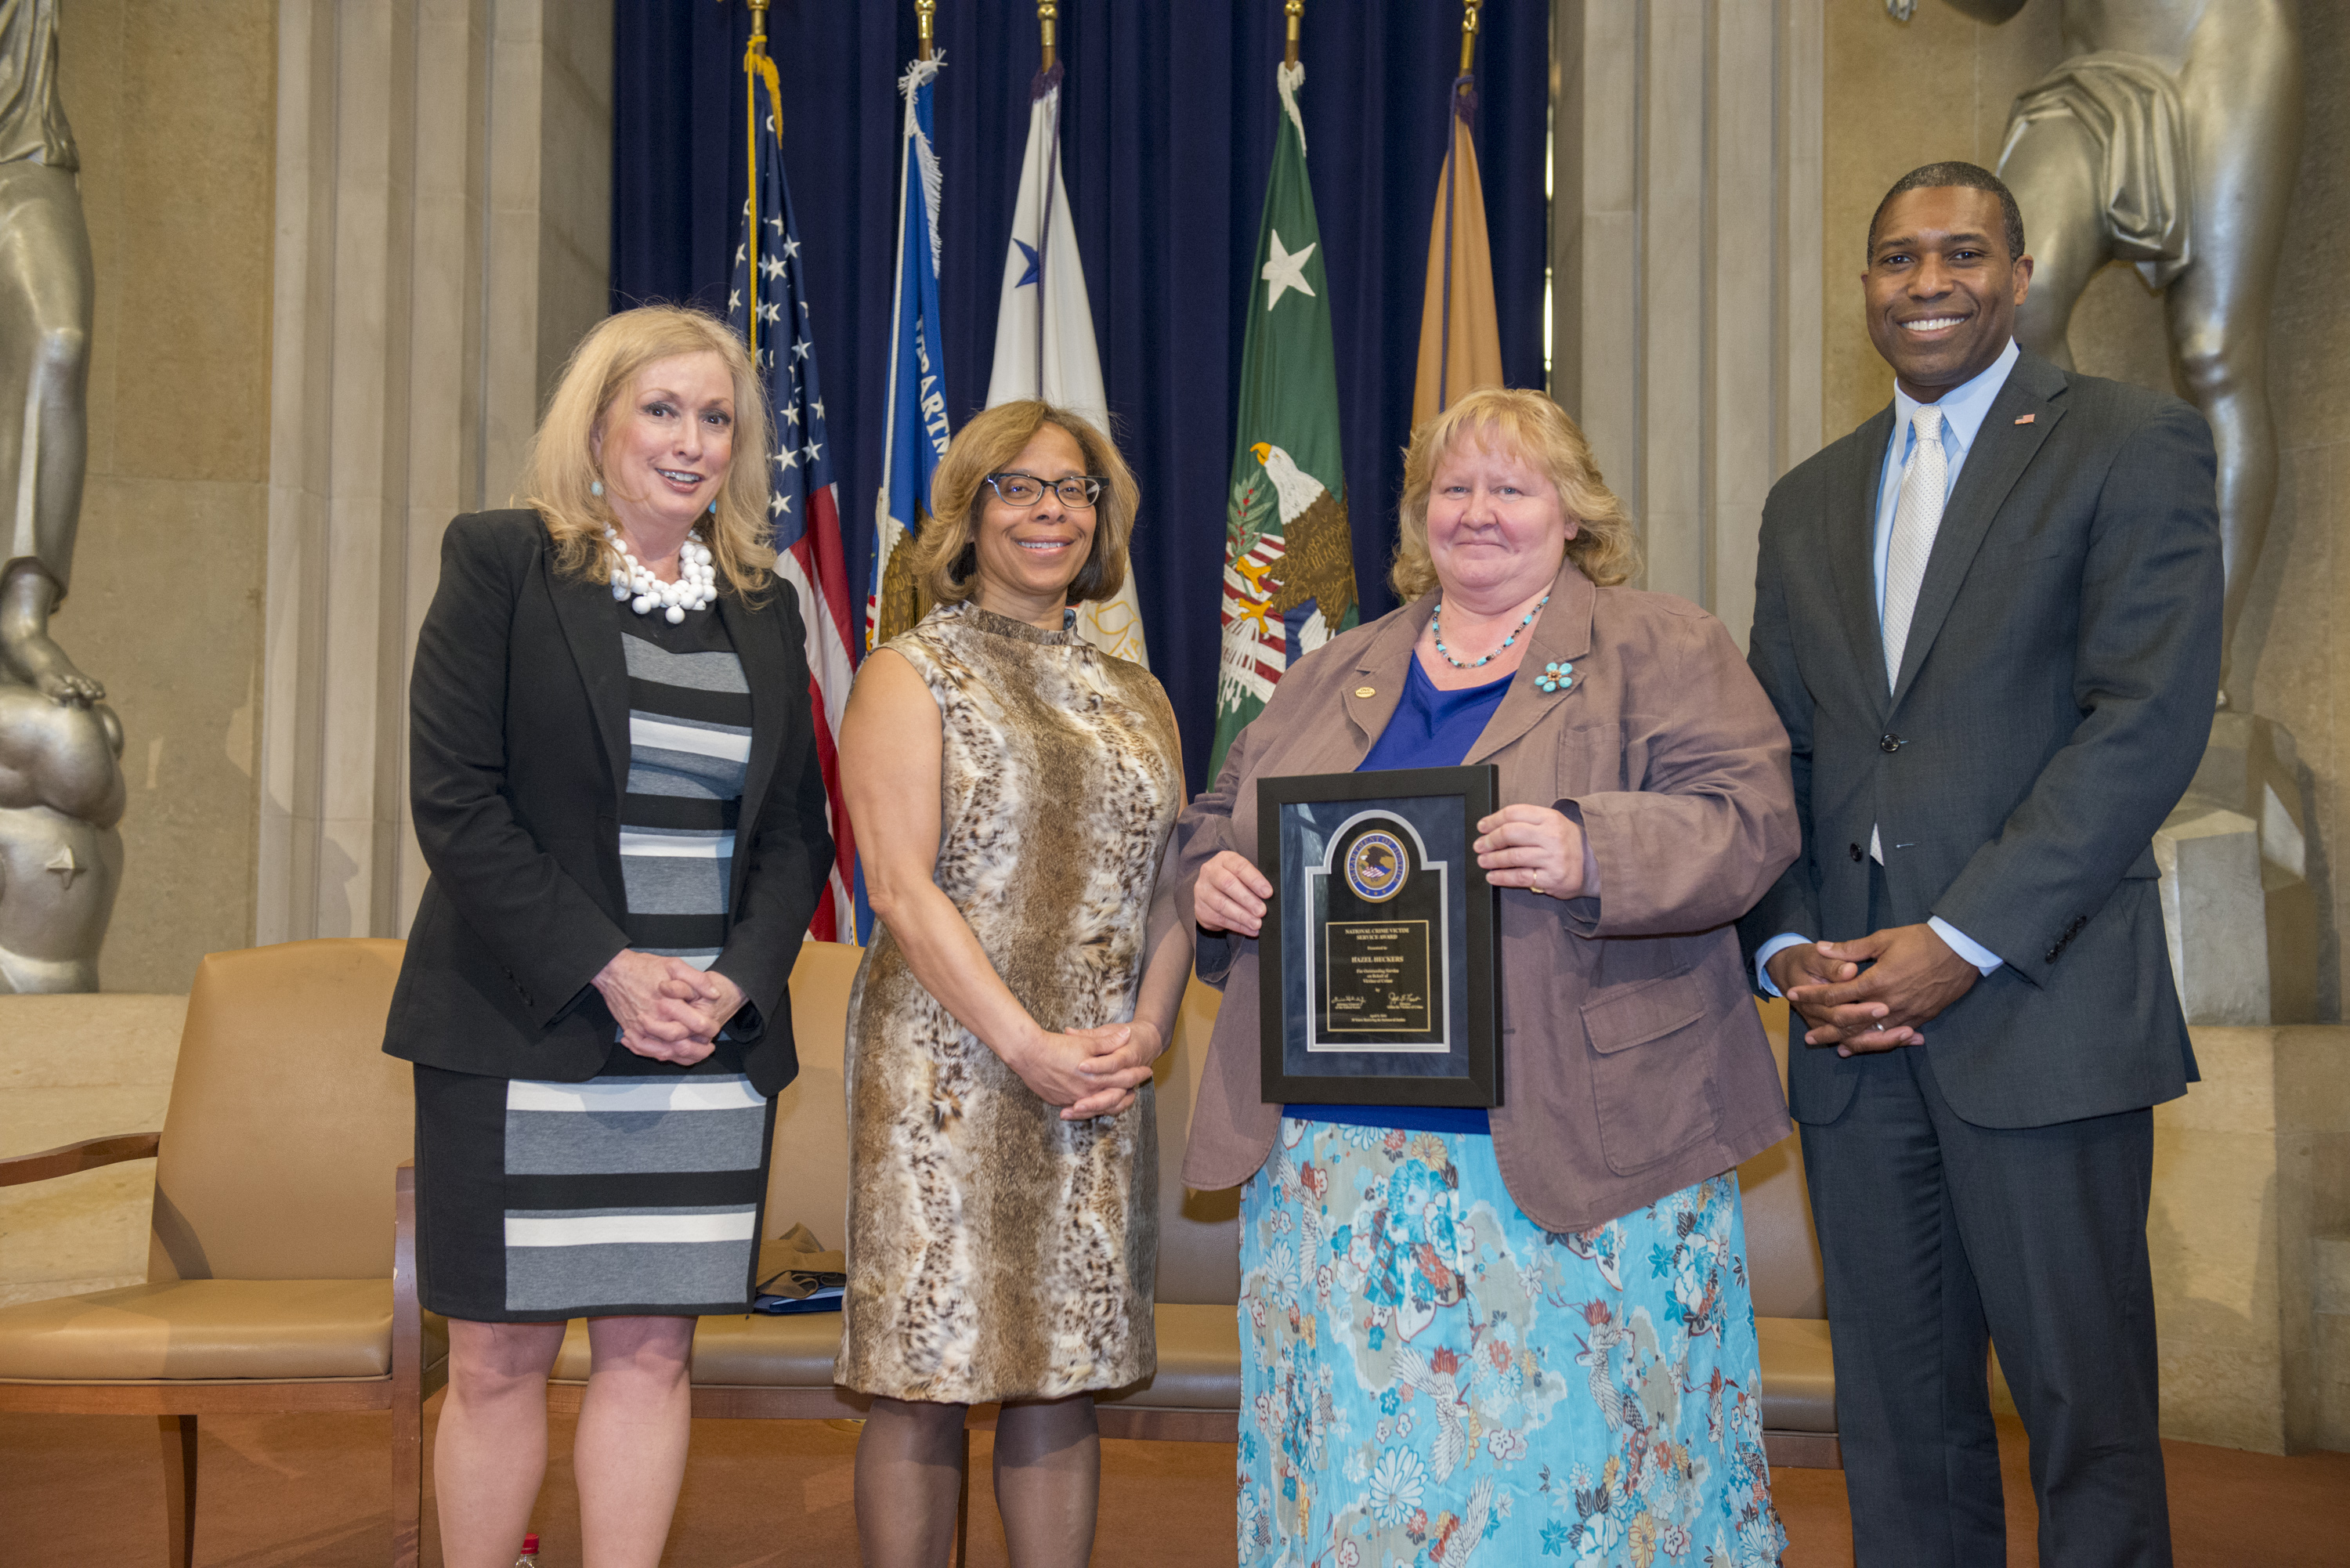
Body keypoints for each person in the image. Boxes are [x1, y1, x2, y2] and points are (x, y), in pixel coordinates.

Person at [1179, 387, 1800, 1567]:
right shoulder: (1335, 668)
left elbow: (1754, 820)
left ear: (1573, 511)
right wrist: (1211, 877)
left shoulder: (1665, 647)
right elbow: (1218, 817)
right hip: (1339, 1173)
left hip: (1580, 1159)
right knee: (1365, 1492)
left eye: (1512, 487)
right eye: (1452, 488)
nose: (1478, 512)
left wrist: (1593, 848)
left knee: (1581, 1484)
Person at [1741, 163, 2219, 1566]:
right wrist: (1789, 944)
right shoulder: (1808, 498)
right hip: (1851, 1030)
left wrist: (1962, 937)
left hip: (2041, 1012)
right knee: (1900, 1424)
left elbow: (2144, 721)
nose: (1928, 282)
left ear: (2019, 275)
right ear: (1866, 288)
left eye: (1962, 253)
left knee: (2085, 1416)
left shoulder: (2131, 443)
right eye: (1899, 258)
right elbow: (1777, 752)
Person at [381, 304, 834, 1568]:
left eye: (716, 418)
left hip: (700, 1042)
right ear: (596, 425)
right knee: (497, 1353)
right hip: (523, 1022)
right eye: (662, 409)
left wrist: (735, 984)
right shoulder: (503, 561)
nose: (691, 441)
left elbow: (795, 830)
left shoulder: (764, 604)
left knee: (651, 1349)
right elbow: (456, 801)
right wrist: (611, 967)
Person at [835, 399, 1191, 1568]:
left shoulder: (1140, 695)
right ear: (969, 511)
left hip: (1095, 1075)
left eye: (1074, 489)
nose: (1051, 510)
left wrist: (1146, 1030)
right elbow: (900, 889)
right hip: (945, 1071)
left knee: (1065, 1366)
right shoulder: (908, 671)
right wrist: (1025, 1044)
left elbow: (1172, 887)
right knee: (925, 1369)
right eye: (1018, 487)